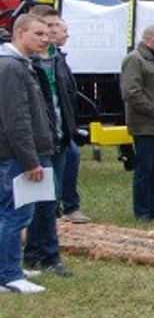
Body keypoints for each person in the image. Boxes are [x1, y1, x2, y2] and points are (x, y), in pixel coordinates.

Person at [0, 14, 56, 293]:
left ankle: (10, 266)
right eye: (38, 33)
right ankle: (8, 276)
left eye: (47, 34)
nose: (45, 38)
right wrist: (30, 160)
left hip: (24, 154)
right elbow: (16, 121)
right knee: (15, 215)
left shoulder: (23, 65)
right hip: (17, 156)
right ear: (19, 33)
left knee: (16, 213)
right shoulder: (10, 67)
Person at [22, 7, 78, 277]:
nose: (53, 32)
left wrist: (69, 130)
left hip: (59, 137)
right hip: (38, 142)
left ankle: (36, 252)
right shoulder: (26, 64)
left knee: (49, 198)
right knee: (42, 201)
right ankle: (47, 255)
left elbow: (66, 97)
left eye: (56, 26)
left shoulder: (58, 60)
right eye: (48, 26)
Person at [120, 25, 154, 223]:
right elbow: (131, 92)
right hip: (145, 126)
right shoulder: (135, 59)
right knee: (145, 168)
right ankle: (142, 210)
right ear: (152, 40)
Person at [53, 19, 89, 224]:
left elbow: (66, 94)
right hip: (53, 128)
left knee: (72, 157)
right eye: (63, 30)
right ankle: (58, 208)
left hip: (63, 126)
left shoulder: (58, 58)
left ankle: (68, 206)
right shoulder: (47, 60)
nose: (67, 34)